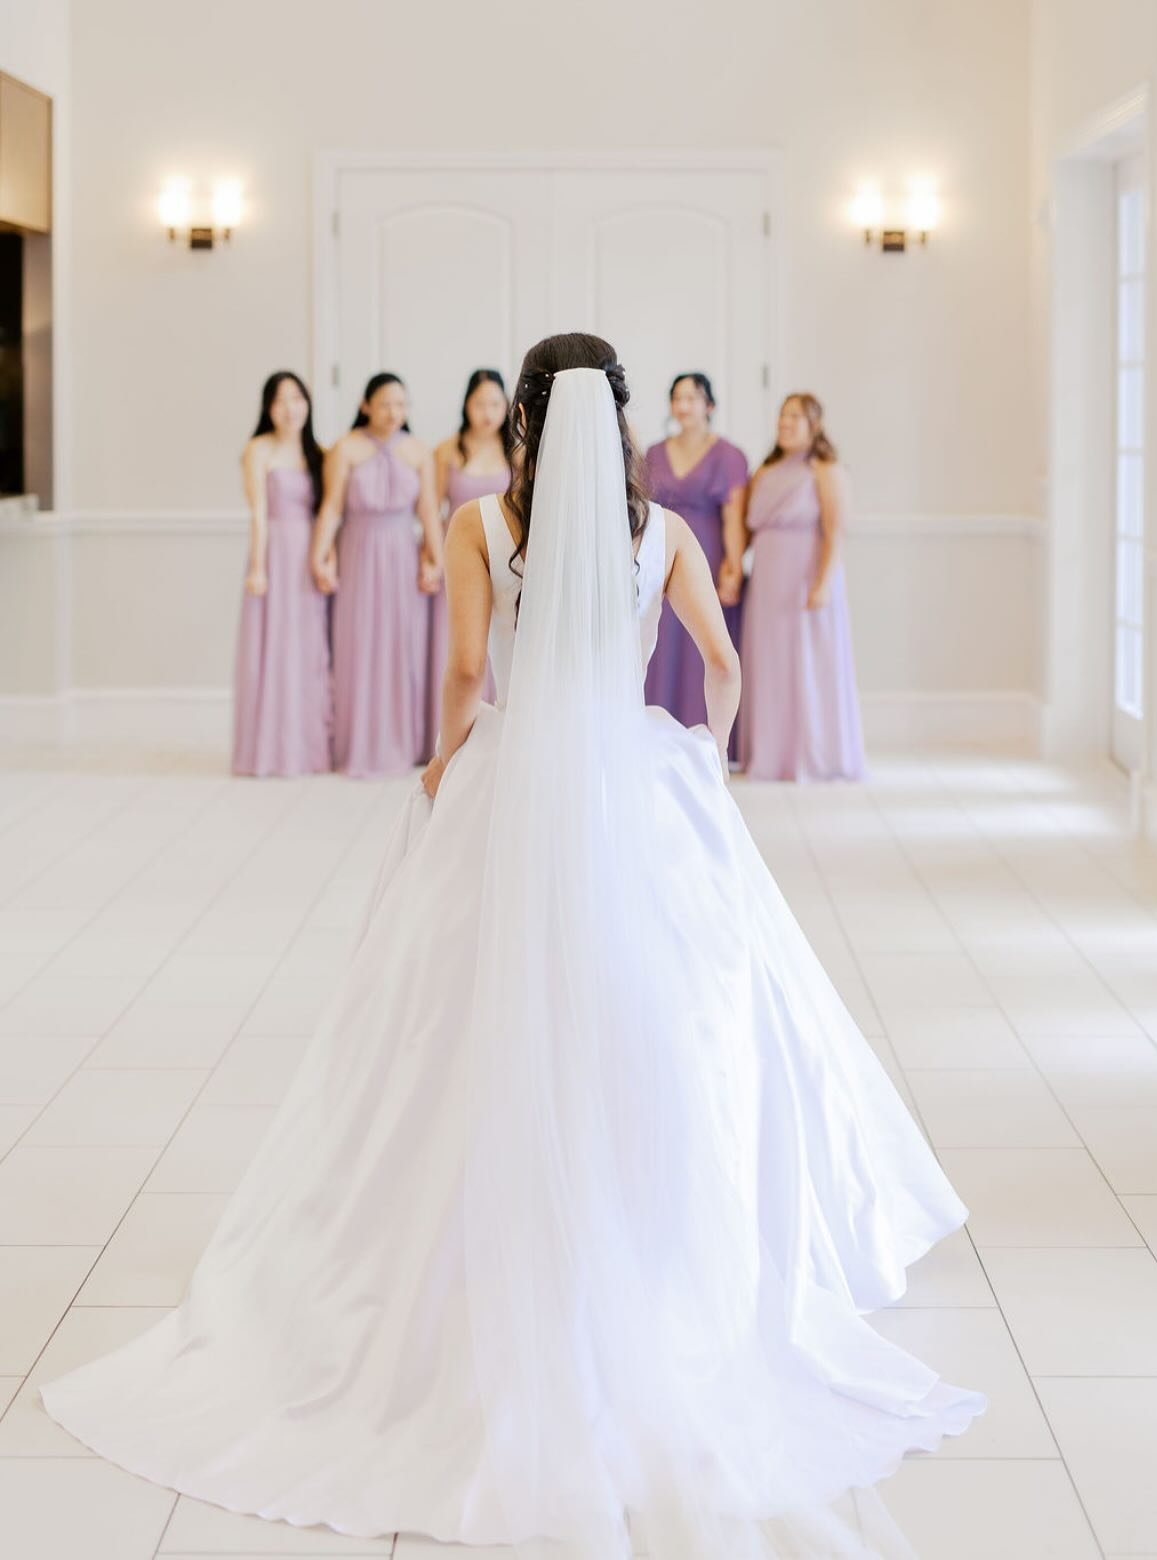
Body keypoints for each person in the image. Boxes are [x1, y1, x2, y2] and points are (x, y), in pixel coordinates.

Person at [40, 334, 982, 1560]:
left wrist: (443, 766)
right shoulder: (671, 538)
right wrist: (704, 754)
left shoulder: (484, 524)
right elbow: (725, 665)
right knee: (678, 1016)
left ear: (528, 420)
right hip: (639, 787)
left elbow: (474, 671)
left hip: (515, 778)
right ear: (626, 421)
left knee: (446, 1019)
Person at [311, 372, 443, 777]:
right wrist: (320, 555)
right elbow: (332, 507)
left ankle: (404, 743)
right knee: (357, 645)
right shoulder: (345, 449)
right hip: (358, 553)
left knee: (403, 645)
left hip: (401, 554)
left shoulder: (419, 452)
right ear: (366, 404)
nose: (393, 412)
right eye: (385, 403)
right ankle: (358, 746)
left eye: (401, 404)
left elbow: (428, 514)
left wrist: (434, 559)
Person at [739, 393, 867, 781]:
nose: (785, 423)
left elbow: (835, 532)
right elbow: (746, 529)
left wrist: (823, 583)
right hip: (767, 582)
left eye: (795, 416)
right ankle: (771, 754)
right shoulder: (764, 472)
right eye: (782, 415)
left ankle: (815, 754)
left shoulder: (825, 471)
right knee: (770, 663)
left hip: (806, 578)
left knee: (809, 663)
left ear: (814, 424)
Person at [231, 371, 331, 777]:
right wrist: (258, 567)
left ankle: (306, 748)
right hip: (274, 553)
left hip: (309, 554)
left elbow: (328, 514)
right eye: (280, 400)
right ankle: (270, 750)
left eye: (297, 398)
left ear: (307, 404)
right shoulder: (258, 449)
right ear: (268, 408)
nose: (290, 408)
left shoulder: (318, 453)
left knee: (308, 650)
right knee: (272, 648)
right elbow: (257, 512)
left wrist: (327, 560)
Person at [642, 374, 750, 750]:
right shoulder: (653, 454)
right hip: (661, 555)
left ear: (710, 406)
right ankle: (661, 733)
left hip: (707, 551)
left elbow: (734, 517)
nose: (684, 405)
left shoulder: (730, 456)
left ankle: (713, 739)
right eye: (678, 397)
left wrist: (733, 565)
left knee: (708, 644)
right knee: (662, 640)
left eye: (692, 397)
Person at [425, 368, 511, 753]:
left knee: (496, 642)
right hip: (457, 558)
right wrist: (431, 555)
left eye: (495, 403)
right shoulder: (448, 450)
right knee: (456, 646)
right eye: (479, 404)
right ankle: (447, 733)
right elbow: (430, 507)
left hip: (503, 557)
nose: (488, 412)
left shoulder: (517, 450)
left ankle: (490, 733)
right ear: (466, 406)